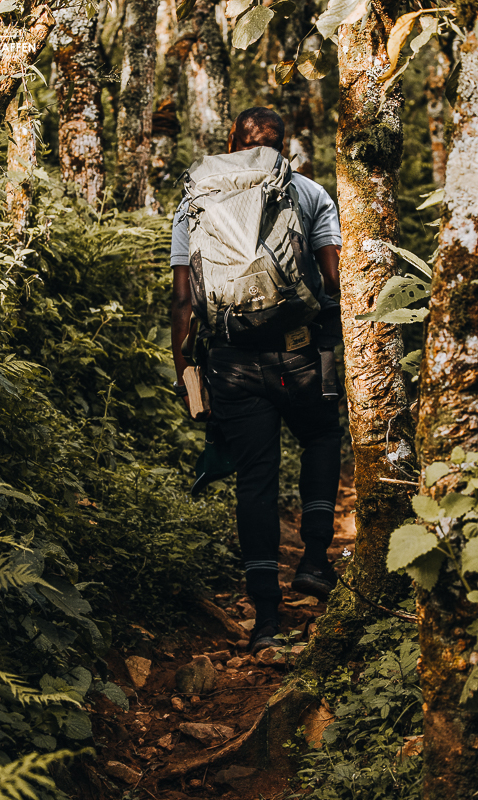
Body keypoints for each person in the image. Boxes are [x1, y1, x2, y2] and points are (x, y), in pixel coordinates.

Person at [171, 107, 343, 653]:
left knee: (256, 480)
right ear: (281, 145)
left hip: (230, 361)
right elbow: (335, 278)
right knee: (320, 437)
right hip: (299, 355)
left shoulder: (194, 201)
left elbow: (183, 299)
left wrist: (186, 374)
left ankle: (266, 619)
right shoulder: (308, 192)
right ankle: (315, 560)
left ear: (231, 142)